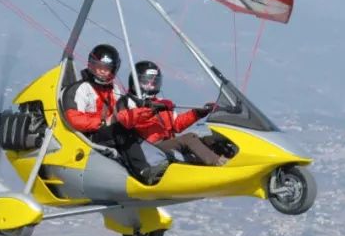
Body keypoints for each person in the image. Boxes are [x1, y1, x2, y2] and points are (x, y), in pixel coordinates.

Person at [62, 45, 166, 184]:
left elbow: (123, 112)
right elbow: (74, 119)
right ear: (91, 65)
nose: (103, 72)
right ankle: (143, 172)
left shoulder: (114, 90)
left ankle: (162, 164)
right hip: (87, 137)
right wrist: (105, 122)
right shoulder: (81, 89)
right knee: (121, 129)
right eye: (99, 67)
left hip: (109, 133)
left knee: (133, 128)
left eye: (107, 68)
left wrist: (147, 109)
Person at [115, 60, 225, 166]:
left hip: (167, 142)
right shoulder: (128, 101)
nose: (151, 86)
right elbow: (126, 120)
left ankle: (229, 159)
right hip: (149, 148)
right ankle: (218, 163)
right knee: (188, 138)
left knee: (206, 139)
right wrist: (150, 109)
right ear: (135, 82)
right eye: (146, 82)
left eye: (154, 82)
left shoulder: (159, 102)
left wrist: (197, 113)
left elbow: (177, 125)